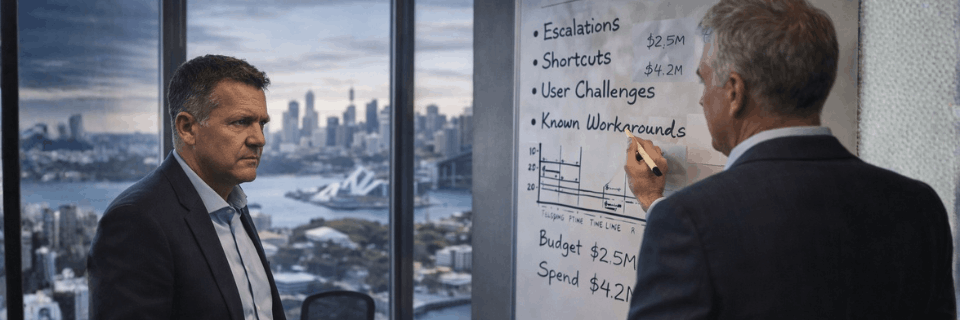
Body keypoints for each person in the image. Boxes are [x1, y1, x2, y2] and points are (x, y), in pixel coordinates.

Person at [624, 0, 955, 318]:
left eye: (704, 80)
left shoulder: (685, 223)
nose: (701, 98)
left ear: (734, 92)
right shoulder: (919, 206)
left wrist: (658, 205)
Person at [88, 55, 286, 320]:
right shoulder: (136, 221)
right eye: (240, 122)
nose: (259, 139)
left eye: (261, 123)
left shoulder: (232, 204)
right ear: (187, 128)